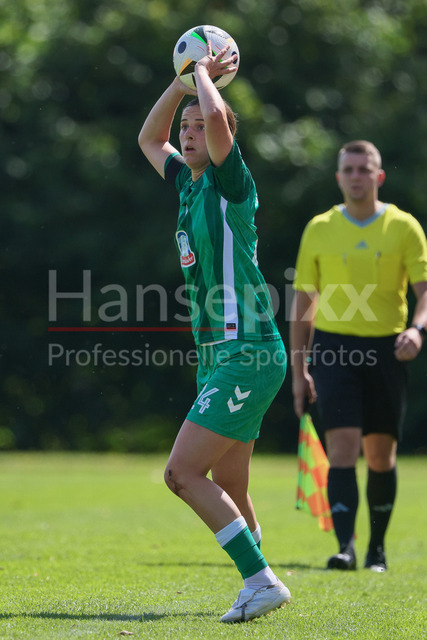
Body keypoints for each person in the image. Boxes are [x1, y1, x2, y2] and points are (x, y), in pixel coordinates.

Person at [138, 41, 290, 622]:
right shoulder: (188, 183)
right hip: (220, 354)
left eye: (201, 125)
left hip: (247, 349)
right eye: (187, 126)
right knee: (230, 482)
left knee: (181, 474)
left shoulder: (231, 183)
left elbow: (220, 122)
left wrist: (202, 73)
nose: (190, 132)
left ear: (222, 131)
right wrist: (181, 84)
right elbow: (149, 139)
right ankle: (261, 578)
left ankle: (261, 582)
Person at [290, 140, 427, 573]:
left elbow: (425, 293)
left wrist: (418, 330)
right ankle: (345, 547)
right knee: (342, 447)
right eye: (348, 169)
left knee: (381, 454)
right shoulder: (319, 228)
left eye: (363, 169)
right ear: (338, 177)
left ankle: (377, 550)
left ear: (378, 176)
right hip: (334, 350)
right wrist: (299, 370)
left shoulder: (404, 227)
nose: (355, 176)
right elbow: (303, 305)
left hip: (387, 349)